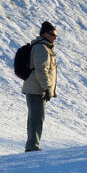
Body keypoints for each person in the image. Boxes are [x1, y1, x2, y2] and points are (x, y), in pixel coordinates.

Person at [22, 21, 58, 153]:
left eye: (56, 35)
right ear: (44, 34)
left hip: (36, 89)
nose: (55, 37)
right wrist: (47, 88)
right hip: (36, 90)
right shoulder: (41, 48)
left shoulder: (44, 47)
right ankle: (32, 147)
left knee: (35, 118)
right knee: (36, 119)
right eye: (52, 34)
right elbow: (41, 70)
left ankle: (32, 145)